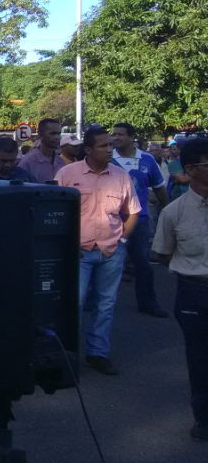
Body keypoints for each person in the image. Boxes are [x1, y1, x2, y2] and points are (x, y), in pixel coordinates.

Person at [56, 127, 140, 375]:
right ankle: (66, 355)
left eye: (110, 145)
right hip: (78, 253)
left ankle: (97, 353)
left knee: (106, 304)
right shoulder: (67, 174)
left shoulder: (121, 176)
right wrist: (67, 245)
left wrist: (122, 241)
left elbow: (132, 212)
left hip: (111, 251)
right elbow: (55, 212)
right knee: (74, 304)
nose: (109, 149)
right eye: (103, 146)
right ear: (89, 150)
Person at [151, 137, 208, 441]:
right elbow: (161, 253)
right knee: (199, 358)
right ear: (191, 169)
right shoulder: (173, 212)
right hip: (194, 292)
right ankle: (204, 418)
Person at [111, 123, 170, 317]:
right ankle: (93, 301)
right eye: (114, 134)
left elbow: (159, 187)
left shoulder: (147, 160)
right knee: (103, 261)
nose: (116, 138)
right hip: (109, 221)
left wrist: (167, 212)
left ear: (132, 137)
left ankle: (148, 303)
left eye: (120, 134)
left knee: (143, 264)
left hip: (138, 220)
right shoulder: (107, 158)